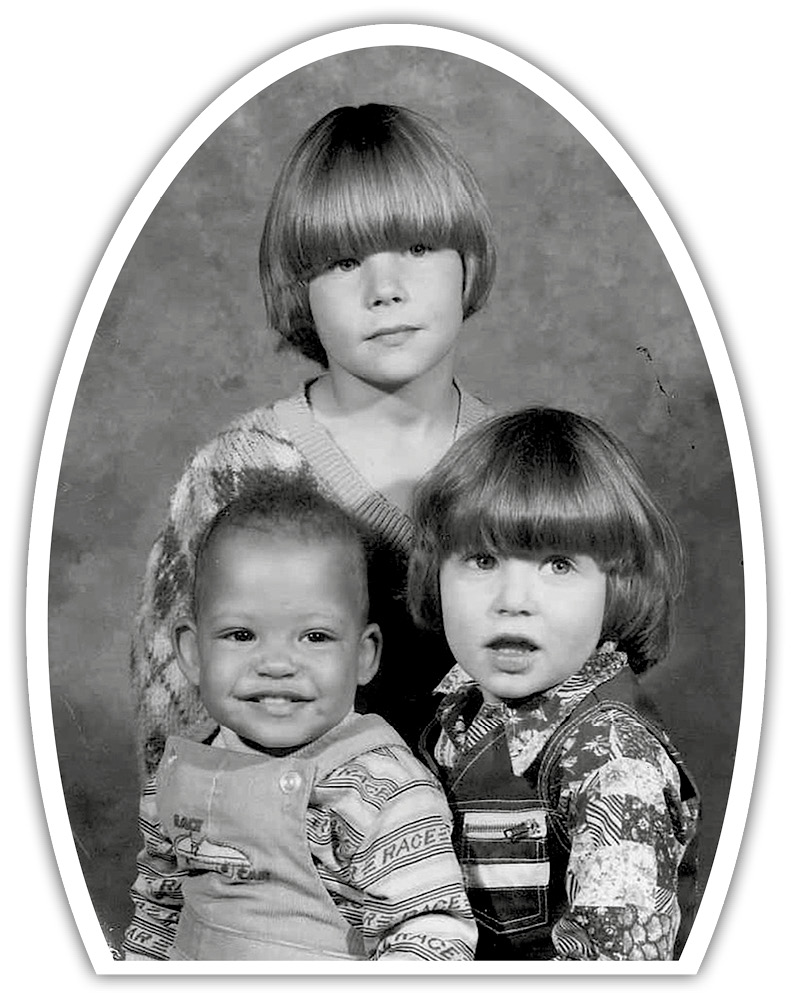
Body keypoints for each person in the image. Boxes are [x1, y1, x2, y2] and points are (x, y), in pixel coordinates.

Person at [131, 102, 496, 780]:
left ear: (466, 263)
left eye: (418, 249)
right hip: (292, 843)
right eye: (344, 261)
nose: (385, 290)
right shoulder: (235, 472)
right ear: (300, 291)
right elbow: (172, 733)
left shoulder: (522, 469)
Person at [123, 475, 477, 961]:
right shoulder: (178, 774)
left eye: (314, 637)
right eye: (241, 635)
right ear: (193, 652)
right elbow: (157, 909)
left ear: (363, 656)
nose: (276, 664)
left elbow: (430, 936)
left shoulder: (381, 791)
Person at [407, 407, 701, 961]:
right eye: (482, 560)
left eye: (558, 565)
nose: (513, 601)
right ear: (435, 573)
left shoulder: (615, 762)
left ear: (617, 586)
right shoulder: (454, 716)